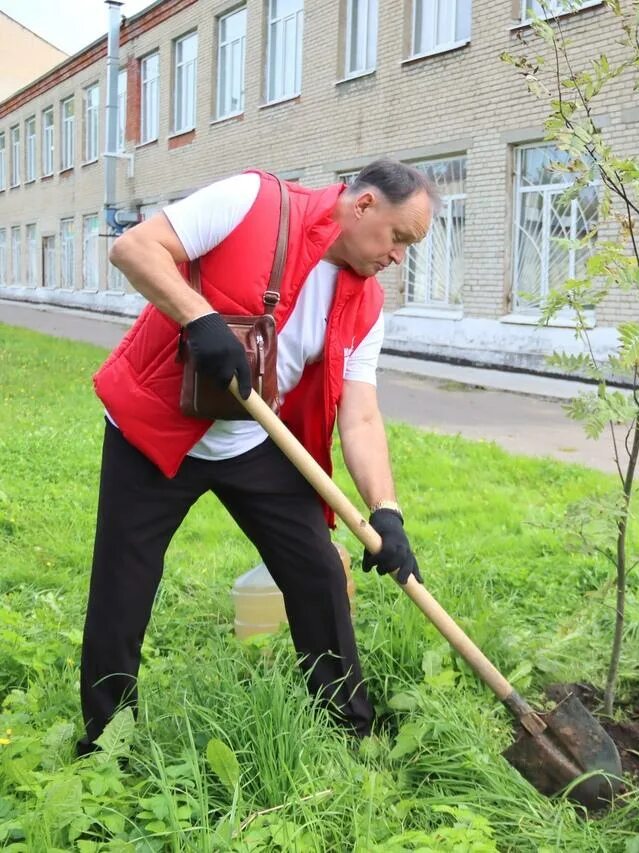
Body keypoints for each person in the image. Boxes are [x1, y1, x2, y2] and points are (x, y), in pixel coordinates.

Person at [78, 159, 437, 755]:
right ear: (365, 205)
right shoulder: (254, 201)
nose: (398, 257)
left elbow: (361, 411)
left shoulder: (365, 303)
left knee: (318, 572)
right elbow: (134, 248)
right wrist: (199, 318)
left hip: (252, 442)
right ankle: (107, 743)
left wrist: (386, 510)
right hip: (155, 430)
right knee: (125, 582)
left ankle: (351, 730)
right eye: (399, 238)